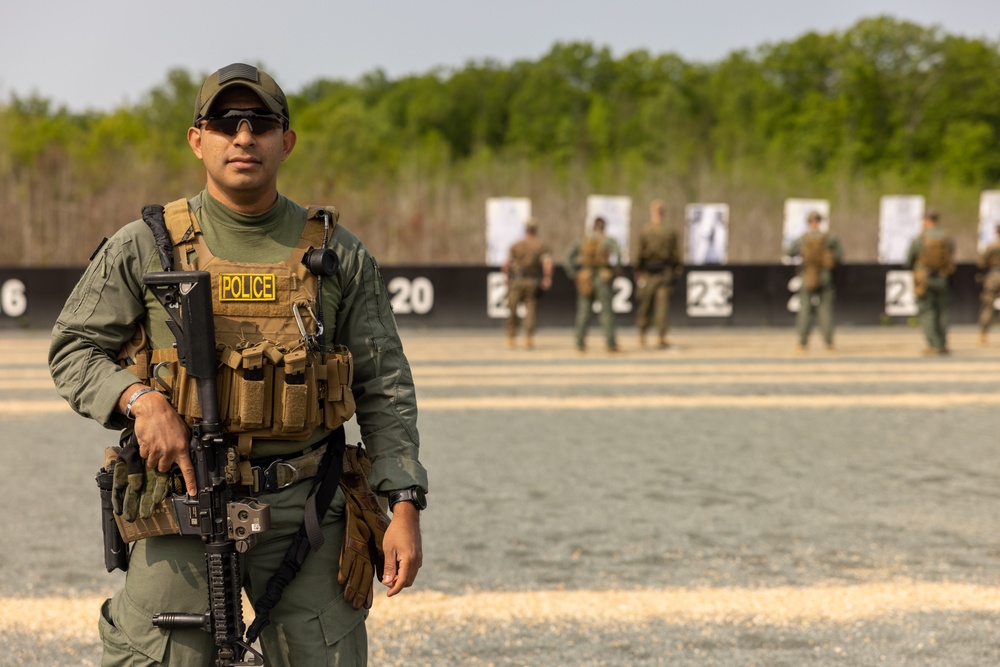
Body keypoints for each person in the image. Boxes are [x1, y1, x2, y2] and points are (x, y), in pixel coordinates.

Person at [48, 63, 428, 666]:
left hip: (307, 505)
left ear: (287, 140)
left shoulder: (337, 253)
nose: (244, 136)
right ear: (198, 139)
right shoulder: (146, 244)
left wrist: (403, 501)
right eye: (226, 122)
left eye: (261, 123)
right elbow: (73, 348)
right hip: (182, 502)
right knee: (159, 656)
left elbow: (384, 384)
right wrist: (140, 400)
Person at [785, 211, 843, 352]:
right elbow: (840, 256)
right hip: (825, 276)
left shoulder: (803, 238)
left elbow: (789, 252)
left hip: (808, 275)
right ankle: (828, 343)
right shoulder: (830, 238)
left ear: (809, 222)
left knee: (804, 310)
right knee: (826, 310)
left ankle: (802, 343)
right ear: (819, 222)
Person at [565, 216, 622, 352]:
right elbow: (619, 255)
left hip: (586, 277)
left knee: (583, 312)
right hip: (603, 278)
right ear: (603, 227)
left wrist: (575, 274)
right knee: (606, 312)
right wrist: (613, 271)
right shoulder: (607, 240)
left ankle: (580, 342)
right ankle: (610, 344)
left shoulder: (583, 240)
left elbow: (567, 257)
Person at [905, 211, 956, 355]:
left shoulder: (920, 239)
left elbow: (909, 260)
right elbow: (951, 255)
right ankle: (943, 343)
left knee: (927, 312)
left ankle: (934, 344)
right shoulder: (947, 238)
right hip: (942, 278)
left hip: (924, 279)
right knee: (942, 312)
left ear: (926, 221)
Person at [634, 199, 681, 349]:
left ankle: (642, 334)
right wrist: (675, 271)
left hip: (649, 273)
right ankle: (661, 336)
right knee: (662, 307)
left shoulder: (645, 231)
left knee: (645, 305)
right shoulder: (670, 232)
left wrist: (637, 270)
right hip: (664, 274)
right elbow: (676, 256)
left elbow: (639, 254)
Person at [501, 218, 553, 349]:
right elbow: (547, 263)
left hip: (517, 280)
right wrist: (547, 278)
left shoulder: (516, 245)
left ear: (525, 230)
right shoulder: (540, 246)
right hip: (532, 280)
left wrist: (506, 277)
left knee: (512, 308)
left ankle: (511, 337)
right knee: (530, 309)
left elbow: (506, 264)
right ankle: (528, 338)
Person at [976, 224, 1000, 344]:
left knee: (988, 305)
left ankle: (983, 334)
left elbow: (982, 263)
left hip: (993, 276)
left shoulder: (991, 246)